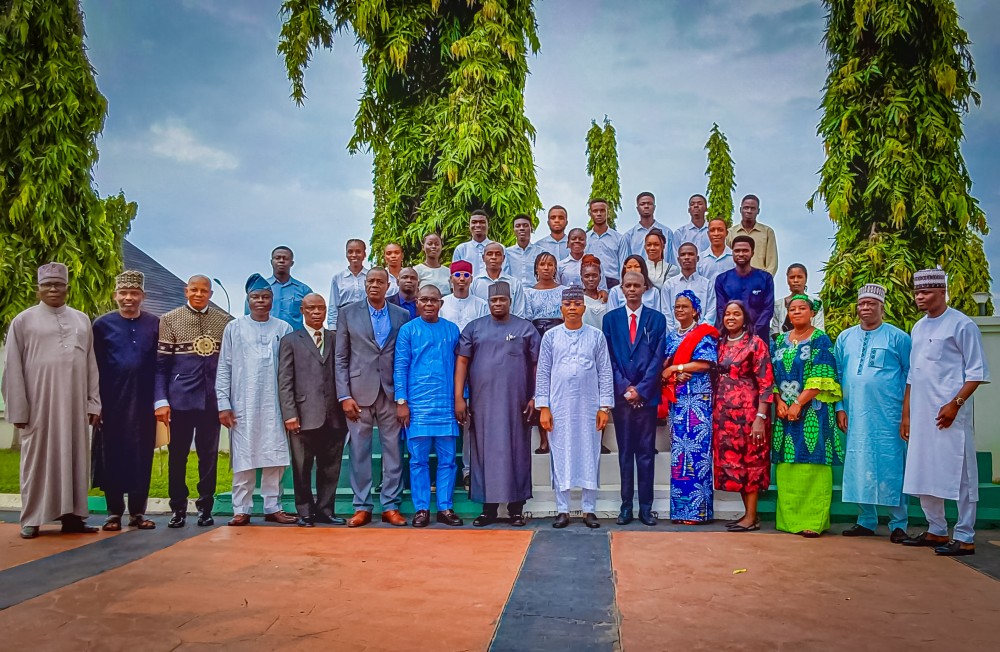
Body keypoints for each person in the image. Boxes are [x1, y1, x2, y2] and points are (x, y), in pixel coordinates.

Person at [3, 263, 101, 539]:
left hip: (74, 405)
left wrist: (94, 402)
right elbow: (12, 367)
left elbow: (91, 363)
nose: (54, 289)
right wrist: (18, 409)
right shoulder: (23, 321)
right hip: (39, 405)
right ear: (39, 289)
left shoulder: (82, 320)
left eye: (59, 284)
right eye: (48, 285)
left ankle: (74, 517)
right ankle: (32, 518)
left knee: (75, 458)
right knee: (36, 461)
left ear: (68, 288)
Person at [900, 269, 989, 556]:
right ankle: (936, 529)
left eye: (925, 293)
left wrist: (956, 404)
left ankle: (964, 535)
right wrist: (907, 414)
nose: (919, 298)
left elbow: (976, 372)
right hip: (923, 414)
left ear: (942, 292)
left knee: (960, 473)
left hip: (950, 415)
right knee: (925, 469)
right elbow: (913, 375)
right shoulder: (918, 327)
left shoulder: (962, 325)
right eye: (916, 293)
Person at [456, 282, 540, 527]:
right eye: (494, 301)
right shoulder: (475, 328)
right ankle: (488, 509)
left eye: (502, 300)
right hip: (482, 404)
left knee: (518, 451)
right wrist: (459, 397)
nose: (498, 304)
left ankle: (516, 508)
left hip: (517, 403)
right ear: (488, 302)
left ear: (510, 301)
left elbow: (536, 365)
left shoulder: (525, 328)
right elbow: (462, 362)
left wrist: (536, 396)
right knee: (483, 453)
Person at [216, 274, 296, 526]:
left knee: (274, 456)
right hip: (243, 404)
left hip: (275, 404)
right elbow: (224, 367)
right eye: (255, 297)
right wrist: (223, 404)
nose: (260, 301)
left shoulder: (283, 328)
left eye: (265, 297)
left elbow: (291, 370)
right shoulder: (234, 328)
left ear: (272, 300)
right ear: (248, 300)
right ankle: (242, 508)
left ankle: (273, 506)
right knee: (244, 457)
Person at [335, 267, 412, 527]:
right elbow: (341, 357)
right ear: (365, 285)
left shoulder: (401, 315)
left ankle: (391, 505)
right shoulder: (347, 313)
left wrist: (402, 397)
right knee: (359, 451)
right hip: (358, 393)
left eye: (380, 281)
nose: (375, 285)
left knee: (393, 450)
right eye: (371, 281)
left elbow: (403, 357)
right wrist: (344, 394)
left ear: (389, 284)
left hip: (391, 392)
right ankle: (362, 506)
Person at [834, 284, 911, 542]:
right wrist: (840, 408)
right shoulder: (845, 338)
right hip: (855, 413)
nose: (865, 309)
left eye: (871, 304)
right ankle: (866, 519)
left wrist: (906, 413)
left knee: (891, 464)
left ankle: (898, 523)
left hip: (889, 415)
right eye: (861, 304)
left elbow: (912, 375)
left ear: (882, 307)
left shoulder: (898, 338)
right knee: (859, 463)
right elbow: (838, 376)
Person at [155, 275, 233, 529]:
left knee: (208, 456)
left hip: (211, 401)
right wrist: (161, 400)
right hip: (180, 400)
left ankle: (205, 507)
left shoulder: (224, 321)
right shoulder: (170, 319)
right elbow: (161, 367)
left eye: (204, 291)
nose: (199, 294)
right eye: (194, 290)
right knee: (178, 456)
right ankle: (177, 507)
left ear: (211, 294)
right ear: (186, 291)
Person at [535, 286, 614, 528]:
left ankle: (589, 509)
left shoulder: (596, 336)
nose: (572, 308)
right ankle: (563, 509)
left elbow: (605, 372)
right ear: (561, 308)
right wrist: (543, 407)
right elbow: (543, 373)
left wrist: (604, 407)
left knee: (590, 453)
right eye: (568, 304)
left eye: (576, 304)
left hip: (589, 405)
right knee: (561, 455)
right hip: (559, 406)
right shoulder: (551, 337)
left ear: (583, 307)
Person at [91, 270, 159, 532]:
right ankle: (114, 513)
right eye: (123, 293)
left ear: (143, 296)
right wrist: (95, 404)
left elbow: (159, 365)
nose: (128, 298)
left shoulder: (154, 323)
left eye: (134, 293)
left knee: (142, 457)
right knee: (112, 457)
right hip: (111, 403)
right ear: (115, 295)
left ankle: (138, 513)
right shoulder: (101, 325)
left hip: (143, 403)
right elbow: (92, 366)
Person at [771, 295, 844, 537]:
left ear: (812, 313)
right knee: (788, 464)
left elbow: (823, 375)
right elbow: (771, 376)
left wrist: (799, 403)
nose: (797, 312)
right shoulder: (780, 340)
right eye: (793, 309)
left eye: (803, 308)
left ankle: (813, 521)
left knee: (813, 462)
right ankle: (789, 520)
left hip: (813, 411)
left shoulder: (820, 339)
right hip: (784, 414)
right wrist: (780, 402)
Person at [394, 285, 463, 527]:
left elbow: (460, 369)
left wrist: (460, 398)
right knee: (417, 461)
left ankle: (445, 508)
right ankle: (421, 508)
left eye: (434, 300)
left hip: (445, 406)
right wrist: (401, 401)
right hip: (417, 406)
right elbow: (400, 366)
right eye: (424, 300)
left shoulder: (452, 330)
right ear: (417, 303)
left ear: (441, 304)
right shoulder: (408, 331)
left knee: (448, 460)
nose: (429, 304)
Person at [277, 293, 349, 527]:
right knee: (302, 468)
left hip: (334, 415)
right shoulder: (290, 340)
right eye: (311, 308)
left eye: (321, 308)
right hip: (302, 416)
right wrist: (289, 413)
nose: (317, 312)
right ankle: (305, 512)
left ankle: (325, 510)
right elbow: (285, 380)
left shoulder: (336, 338)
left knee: (330, 468)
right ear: (302, 310)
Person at [602, 272, 666, 526]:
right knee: (625, 453)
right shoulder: (611, 319)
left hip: (646, 397)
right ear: (621, 288)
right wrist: (625, 388)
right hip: (622, 397)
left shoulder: (656, 319)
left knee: (646, 454)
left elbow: (658, 358)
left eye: (636, 286)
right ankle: (626, 506)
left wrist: (641, 389)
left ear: (644, 288)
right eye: (627, 285)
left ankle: (646, 508)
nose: (631, 290)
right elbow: (608, 357)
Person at [713, 300, 774, 532]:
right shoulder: (720, 343)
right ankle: (748, 515)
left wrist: (760, 416)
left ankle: (751, 516)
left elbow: (766, 383)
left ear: (745, 317)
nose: (731, 318)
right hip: (724, 414)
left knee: (751, 462)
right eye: (727, 314)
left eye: (736, 314)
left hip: (749, 414)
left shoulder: (756, 343)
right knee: (735, 463)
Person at [662, 290, 719, 524]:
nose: (680, 310)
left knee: (697, 455)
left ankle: (699, 512)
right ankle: (680, 511)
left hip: (698, 401)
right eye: (677, 307)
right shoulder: (671, 336)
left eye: (685, 307)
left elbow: (705, 363)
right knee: (679, 456)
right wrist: (674, 374)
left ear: (695, 310)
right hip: (678, 401)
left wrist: (679, 368)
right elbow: (665, 365)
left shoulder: (702, 334)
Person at [441, 260, 489, 482]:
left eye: (465, 274)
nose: (461, 278)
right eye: (457, 274)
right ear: (451, 279)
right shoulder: (442, 303)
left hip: (474, 365)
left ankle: (469, 469)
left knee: (471, 420)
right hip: (445, 365)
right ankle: (445, 469)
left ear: (471, 279)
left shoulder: (480, 304)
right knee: (448, 419)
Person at [524, 251, 565, 456]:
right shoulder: (528, 292)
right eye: (542, 264)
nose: (546, 268)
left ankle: (561, 434)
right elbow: (526, 320)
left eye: (550, 264)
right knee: (540, 383)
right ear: (536, 269)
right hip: (536, 335)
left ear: (555, 268)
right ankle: (543, 439)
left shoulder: (564, 290)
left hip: (560, 335)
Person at [714, 236, 774, 343]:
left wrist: (752, 333)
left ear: (752, 253)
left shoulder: (765, 278)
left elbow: (768, 309)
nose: (741, 254)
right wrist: (735, 334)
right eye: (737, 251)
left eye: (745, 250)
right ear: (732, 253)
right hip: (730, 339)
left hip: (758, 339)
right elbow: (721, 310)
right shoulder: (722, 279)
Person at [246, 246, 313, 330]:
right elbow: (248, 317)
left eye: (285, 258)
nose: (281, 261)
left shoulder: (304, 290)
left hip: (294, 339)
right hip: (265, 337)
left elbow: (313, 318)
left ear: (292, 263)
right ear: (271, 262)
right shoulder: (258, 290)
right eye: (277, 258)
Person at [661, 242, 715, 329]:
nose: (686, 257)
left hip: (701, 337)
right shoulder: (669, 285)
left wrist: (698, 334)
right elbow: (666, 314)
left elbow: (711, 314)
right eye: (683, 255)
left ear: (697, 258)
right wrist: (677, 335)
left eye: (690, 254)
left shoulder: (707, 284)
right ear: (678, 259)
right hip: (676, 337)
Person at [470, 242, 527, 317]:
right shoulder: (474, 283)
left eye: (498, 254)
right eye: (490, 254)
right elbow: (472, 310)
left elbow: (519, 314)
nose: (494, 257)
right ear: (483, 258)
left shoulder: (514, 283)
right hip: (482, 327)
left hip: (509, 327)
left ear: (503, 258)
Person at [727, 195, 778, 276]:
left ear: (758, 211)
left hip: (760, 281)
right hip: (736, 280)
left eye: (753, 208)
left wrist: (765, 281)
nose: (749, 211)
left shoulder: (767, 232)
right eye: (746, 207)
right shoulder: (730, 233)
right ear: (740, 210)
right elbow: (727, 260)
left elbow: (772, 263)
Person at [772, 264, 825, 338]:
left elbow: (820, 328)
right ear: (787, 280)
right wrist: (784, 345)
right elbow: (775, 331)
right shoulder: (778, 305)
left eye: (799, 277)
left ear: (806, 279)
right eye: (792, 277)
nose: (796, 280)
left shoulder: (816, 302)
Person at [585, 198, 628, 288]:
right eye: (595, 211)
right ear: (590, 213)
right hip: (591, 283)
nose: (599, 214)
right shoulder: (585, 239)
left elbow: (624, 264)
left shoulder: (619, 238)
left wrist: (621, 287)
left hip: (613, 283)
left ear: (608, 213)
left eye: (602, 211)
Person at [327, 238, 369, 330]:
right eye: (350, 252)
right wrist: (332, 327)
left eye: (358, 251)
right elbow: (333, 306)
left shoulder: (371, 276)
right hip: (344, 321)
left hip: (367, 321)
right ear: (346, 254)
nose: (354, 255)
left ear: (364, 254)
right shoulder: (338, 278)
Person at [452, 209, 508, 277]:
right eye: (474, 222)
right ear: (469, 226)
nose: (478, 225)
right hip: (469, 287)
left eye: (482, 222)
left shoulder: (499, 248)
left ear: (488, 225)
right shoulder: (461, 249)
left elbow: (505, 273)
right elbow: (455, 276)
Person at [624, 191, 674, 263]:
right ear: (637, 208)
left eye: (649, 203)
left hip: (662, 273)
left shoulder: (667, 232)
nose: (646, 206)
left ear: (654, 207)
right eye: (642, 204)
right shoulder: (629, 236)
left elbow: (672, 260)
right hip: (639, 273)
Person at [507, 214, 544, 287]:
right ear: (513, 230)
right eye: (518, 226)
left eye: (525, 225)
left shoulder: (541, 252)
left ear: (531, 228)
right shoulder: (507, 253)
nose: (521, 228)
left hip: (536, 292)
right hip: (514, 293)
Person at [673, 194, 710, 259]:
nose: (696, 206)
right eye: (692, 204)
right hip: (687, 268)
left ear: (706, 209)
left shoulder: (713, 231)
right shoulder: (680, 233)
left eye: (700, 203)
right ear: (689, 210)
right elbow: (676, 256)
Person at [697, 218, 735, 283]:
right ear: (708, 234)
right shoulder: (700, 259)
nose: (716, 234)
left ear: (727, 233)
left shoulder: (735, 257)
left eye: (720, 230)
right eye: (712, 230)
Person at [581, 260, 610, 331]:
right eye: (587, 276)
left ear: (600, 278)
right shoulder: (578, 300)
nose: (591, 279)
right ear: (582, 279)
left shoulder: (607, 298)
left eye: (594, 276)